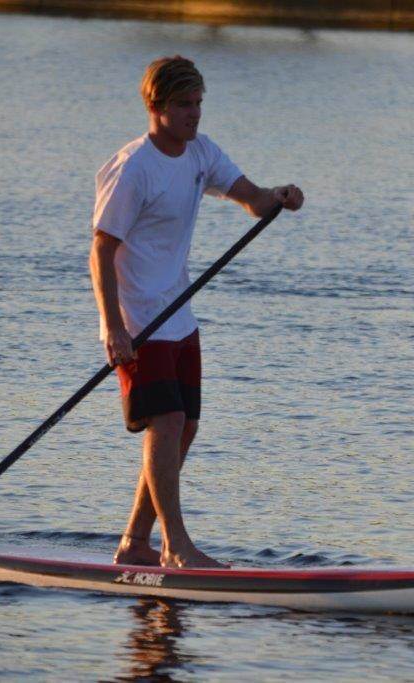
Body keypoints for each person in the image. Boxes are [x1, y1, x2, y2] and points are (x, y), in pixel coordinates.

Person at [90, 56, 304, 568]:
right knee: (166, 422)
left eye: (199, 103)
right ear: (156, 106)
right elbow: (101, 250)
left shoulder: (201, 152)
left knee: (184, 426)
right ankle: (176, 547)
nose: (195, 113)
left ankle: (135, 542)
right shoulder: (133, 168)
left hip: (180, 316)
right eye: (184, 104)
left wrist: (278, 196)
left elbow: (251, 198)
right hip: (141, 322)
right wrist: (114, 328)